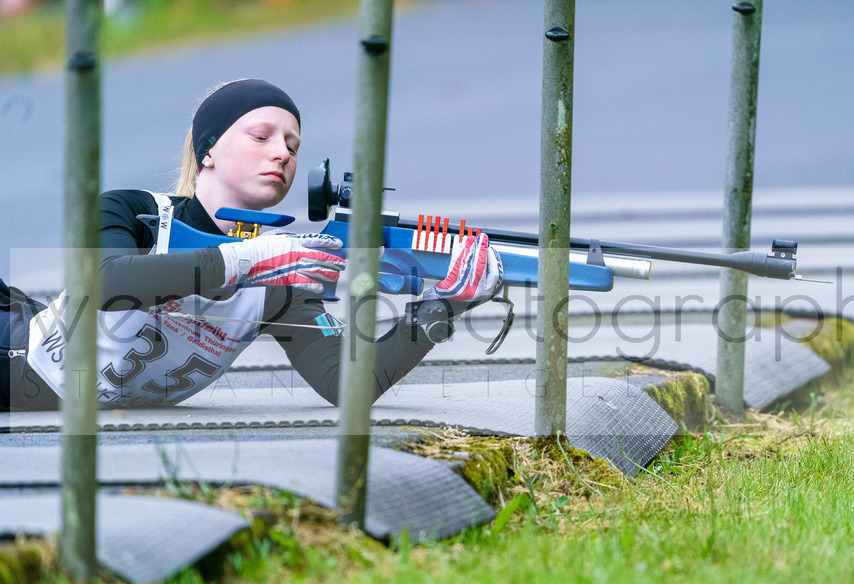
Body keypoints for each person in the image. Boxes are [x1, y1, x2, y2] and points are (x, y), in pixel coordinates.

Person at [1, 79, 501, 412]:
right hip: (17, 352)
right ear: (208, 150)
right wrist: (250, 258)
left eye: (292, 145)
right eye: (262, 136)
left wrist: (442, 309)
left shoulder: (281, 283)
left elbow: (345, 384)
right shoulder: (134, 211)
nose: (283, 151)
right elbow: (105, 281)